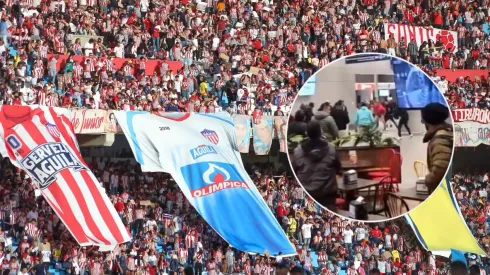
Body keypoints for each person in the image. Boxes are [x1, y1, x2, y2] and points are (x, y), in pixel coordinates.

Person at [291, 121, 341, 210]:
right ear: (321, 132)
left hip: (306, 196)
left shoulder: (297, 152)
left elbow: (293, 172)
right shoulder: (332, 149)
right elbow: (338, 169)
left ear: (306, 133)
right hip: (327, 198)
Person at [421, 103, 454, 194]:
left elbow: (441, 168)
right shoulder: (449, 132)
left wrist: (428, 180)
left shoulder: (440, 139)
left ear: (428, 122)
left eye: (423, 120)